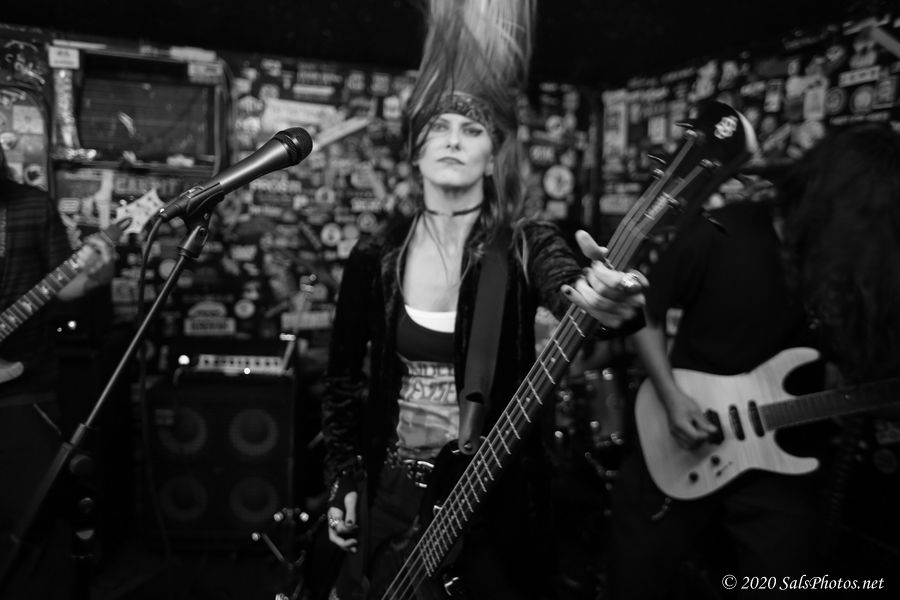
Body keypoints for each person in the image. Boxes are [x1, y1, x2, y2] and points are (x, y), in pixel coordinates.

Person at [319, 1, 645, 598]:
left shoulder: (523, 242)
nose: (453, 140)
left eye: (471, 131)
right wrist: (344, 480)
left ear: (493, 157)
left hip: (491, 501)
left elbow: (568, 286)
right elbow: (341, 383)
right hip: (391, 489)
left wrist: (604, 301)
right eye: (438, 128)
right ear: (416, 150)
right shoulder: (375, 255)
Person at [608, 187, 826, 599]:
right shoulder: (722, 230)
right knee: (639, 572)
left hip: (784, 456)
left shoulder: (850, 262)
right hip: (685, 434)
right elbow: (644, 312)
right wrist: (672, 398)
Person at [0, 145, 114, 599]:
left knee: (34, 519)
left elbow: (66, 286)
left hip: (24, 388)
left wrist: (98, 272)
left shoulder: (31, 204)